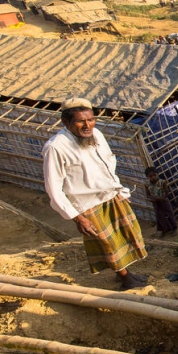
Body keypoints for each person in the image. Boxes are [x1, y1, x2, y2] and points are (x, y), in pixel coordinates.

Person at [43, 98, 148, 290]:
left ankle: (125, 274)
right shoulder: (56, 147)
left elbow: (108, 163)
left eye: (91, 120)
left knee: (124, 237)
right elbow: (53, 188)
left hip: (111, 196)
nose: (87, 125)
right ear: (66, 122)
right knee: (108, 245)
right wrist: (77, 217)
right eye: (80, 121)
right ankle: (126, 279)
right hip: (88, 205)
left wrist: (119, 190)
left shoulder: (97, 135)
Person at [145, 166, 177, 237]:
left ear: (157, 174)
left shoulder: (162, 182)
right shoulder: (147, 185)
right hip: (155, 203)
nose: (153, 177)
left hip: (164, 201)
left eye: (154, 175)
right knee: (160, 217)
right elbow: (147, 195)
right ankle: (164, 230)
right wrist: (154, 198)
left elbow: (166, 193)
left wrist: (160, 198)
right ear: (147, 177)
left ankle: (174, 228)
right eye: (150, 176)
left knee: (169, 214)